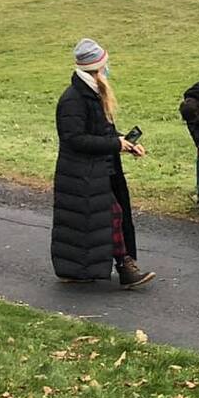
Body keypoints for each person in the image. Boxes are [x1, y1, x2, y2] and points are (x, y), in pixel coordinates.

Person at [52, 38, 155, 289]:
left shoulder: (92, 95)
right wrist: (115, 144)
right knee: (113, 215)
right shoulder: (73, 100)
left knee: (91, 223)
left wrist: (125, 143)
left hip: (97, 170)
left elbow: (101, 131)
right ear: (96, 69)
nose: (108, 70)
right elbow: (74, 139)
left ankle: (78, 270)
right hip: (81, 173)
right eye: (105, 66)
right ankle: (125, 267)